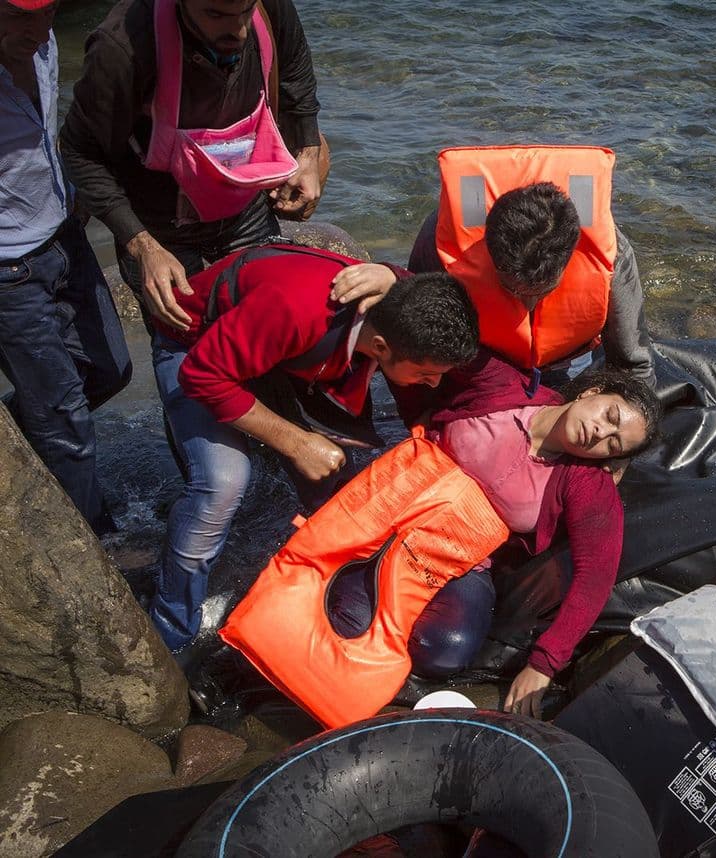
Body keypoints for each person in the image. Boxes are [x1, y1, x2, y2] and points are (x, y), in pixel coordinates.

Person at [148, 242, 479, 652]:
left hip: (276, 355)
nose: (432, 384)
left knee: (340, 487)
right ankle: (170, 631)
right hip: (193, 351)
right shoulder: (295, 310)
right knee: (224, 483)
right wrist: (297, 442)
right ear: (380, 348)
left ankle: (321, 598)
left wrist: (392, 273)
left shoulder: (392, 300)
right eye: (426, 374)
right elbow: (202, 377)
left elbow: (429, 292)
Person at [330, 351, 661, 717]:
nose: (600, 432)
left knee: (444, 648)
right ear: (590, 393)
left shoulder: (587, 484)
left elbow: (595, 578)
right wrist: (415, 409)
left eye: (613, 444)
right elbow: (426, 346)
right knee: (345, 621)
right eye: (609, 415)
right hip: (388, 515)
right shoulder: (500, 387)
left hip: (461, 560)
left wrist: (543, 664)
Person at [59, 0, 327, 335]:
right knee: (183, 348)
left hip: (245, 208)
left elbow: (295, 71)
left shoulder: (267, 5)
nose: (239, 31)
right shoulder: (122, 48)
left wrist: (308, 155)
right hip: (158, 226)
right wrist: (143, 247)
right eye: (216, 14)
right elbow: (78, 151)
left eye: (245, 12)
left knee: (273, 328)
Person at [335, 146, 658, 391]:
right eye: (510, 287)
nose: (524, 303)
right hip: (479, 361)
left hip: (568, 365)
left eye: (539, 291)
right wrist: (393, 276)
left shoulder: (612, 254)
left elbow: (634, 365)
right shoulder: (443, 237)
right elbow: (420, 330)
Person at [0, 0, 132, 535]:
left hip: (64, 231)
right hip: (8, 269)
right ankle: (96, 542)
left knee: (112, 369)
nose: (37, 29)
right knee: (66, 422)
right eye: (19, 16)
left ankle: (16, 441)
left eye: (47, 13)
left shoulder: (45, 44)